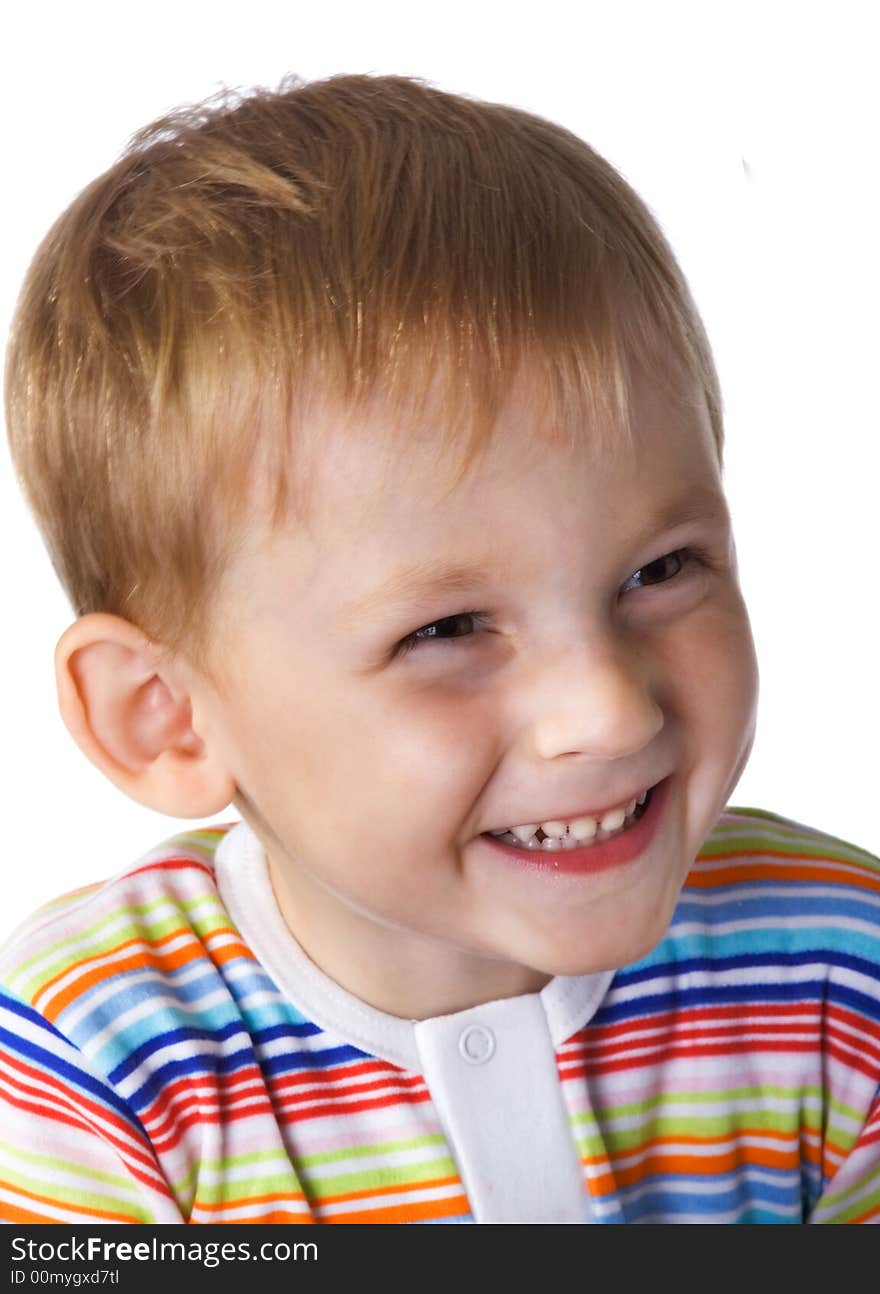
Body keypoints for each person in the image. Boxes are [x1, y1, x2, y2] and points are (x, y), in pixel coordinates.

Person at [1, 73, 878, 1227]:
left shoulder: (840, 974)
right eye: (448, 630)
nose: (607, 711)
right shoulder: (90, 1063)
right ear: (165, 715)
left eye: (659, 570)